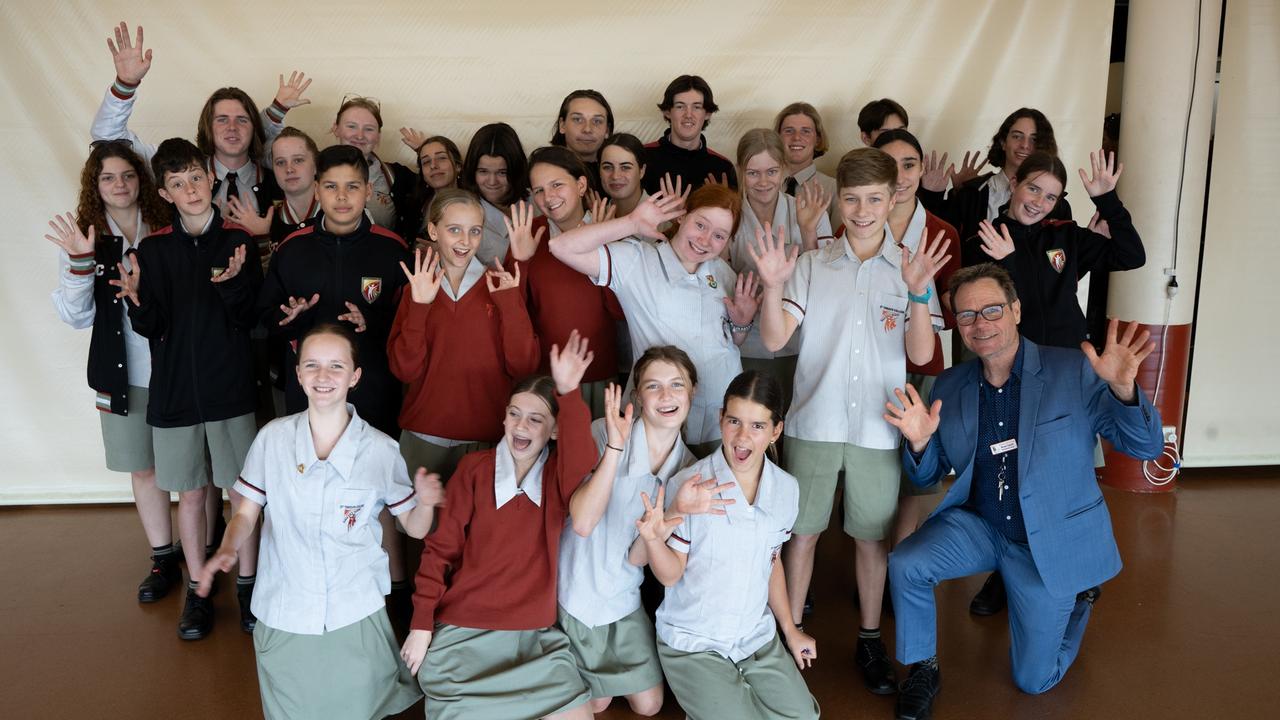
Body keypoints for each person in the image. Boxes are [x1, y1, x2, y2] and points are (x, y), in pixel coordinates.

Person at [884, 263, 1163, 720]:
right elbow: (925, 478)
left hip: (1045, 542)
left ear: (1015, 310)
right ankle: (922, 668)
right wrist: (917, 442)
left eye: (992, 309)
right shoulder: (951, 385)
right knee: (907, 563)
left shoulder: (1073, 370)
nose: (981, 324)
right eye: (967, 315)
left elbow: (1145, 446)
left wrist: (1124, 389)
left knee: (1034, 681)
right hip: (981, 525)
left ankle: (1077, 601)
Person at [752, 147, 948, 695]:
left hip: (878, 430)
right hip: (813, 425)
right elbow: (772, 339)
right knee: (804, 535)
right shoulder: (813, 263)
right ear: (839, 199)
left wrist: (915, 292)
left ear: (894, 199)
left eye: (875, 199)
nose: (862, 211)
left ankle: (868, 638)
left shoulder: (911, 265)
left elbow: (920, 351)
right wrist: (772, 284)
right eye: (853, 198)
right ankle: (788, 637)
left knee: (870, 540)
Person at [198, 323, 441, 720]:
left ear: (355, 376)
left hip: (353, 610)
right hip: (285, 608)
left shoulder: (380, 450)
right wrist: (228, 547)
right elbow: (246, 511)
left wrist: (427, 503)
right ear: (297, 374)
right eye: (311, 365)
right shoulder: (272, 439)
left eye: (336, 366)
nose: (323, 377)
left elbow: (413, 526)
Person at [401, 331, 598, 720]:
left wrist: (569, 391)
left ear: (555, 430)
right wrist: (421, 626)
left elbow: (582, 458)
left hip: (534, 640)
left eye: (536, 418)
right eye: (514, 413)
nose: (521, 426)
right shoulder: (474, 469)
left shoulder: (559, 477)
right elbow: (440, 551)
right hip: (464, 630)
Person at [112, 137, 264, 640]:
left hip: (229, 392)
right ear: (166, 193)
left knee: (242, 495)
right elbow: (152, 328)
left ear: (209, 178)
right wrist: (135, 301)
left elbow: (250, 319)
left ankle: (247, 585)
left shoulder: (237, 241)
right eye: (177, 184)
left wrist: (233, 286)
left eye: (196, 178)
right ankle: (198, 589)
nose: (190, 189)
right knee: (193, 496)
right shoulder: (152, 251)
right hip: (175, 396)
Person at [635, 370, 820, 720]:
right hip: (694, 641)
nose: (742, 437)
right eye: (734, 421)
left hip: (753, 637)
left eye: (757, 426)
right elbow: (670, 575)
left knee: (804, 716)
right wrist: (651, 539)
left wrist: (790, 630)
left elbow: (772, 562)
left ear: (776, 430)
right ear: (720, 418)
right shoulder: (688, 484)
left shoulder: (786, 490)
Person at [47, 140, 174, 603]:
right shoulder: (86, 236)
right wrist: (81, 264)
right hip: (122, 373)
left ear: (142, 179)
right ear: (93, 186)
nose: (119, 185)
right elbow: (76, 317)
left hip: (176, 367)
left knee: (190, 471)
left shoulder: (166, 224)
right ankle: (163, 558)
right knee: (142, 469)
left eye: (127, 174)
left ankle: (204, 554)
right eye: (107, 177)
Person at [547, 183, 759, 456]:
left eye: (719, 235)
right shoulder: (638, 260)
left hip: (719, 419)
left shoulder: (722, 273)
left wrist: (742, 322)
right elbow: (561, 246)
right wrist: (632, 222)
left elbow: (731, 341)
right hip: (660, 418)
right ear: (682, 216)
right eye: (700, 225)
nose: (705, 240)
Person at [557, 347, 711, 716]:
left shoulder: (689, 471)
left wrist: (668, 514)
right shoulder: (601, 433)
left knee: (650, 705)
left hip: (623, 599)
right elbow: (581, 523)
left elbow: (635, 557)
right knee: (597, 701)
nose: (666, 395)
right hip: (574, 592)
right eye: (653, 386)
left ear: (692, 393)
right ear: (637, 396)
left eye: (677, 385)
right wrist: (614, 447)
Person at [92, 22, 311, 260]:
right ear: (208, 126)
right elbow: (107, 139)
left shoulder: (279, 175)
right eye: (222, 120)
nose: (232, 128)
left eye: (242, 120)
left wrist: (275, 112)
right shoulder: (179, 166)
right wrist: (125, 85)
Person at [387, 188, 541, 481]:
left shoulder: (500, 286)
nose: (465, 241)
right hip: (424, 434)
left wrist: (511, 304)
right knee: (417, 526)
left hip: (487, 437)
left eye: (475, 231)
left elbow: (523, 366)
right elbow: (404, 370)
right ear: (433, 230)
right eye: (454, 229)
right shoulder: (416, 289)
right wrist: (419, 307)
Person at [871, 129, 962, 545]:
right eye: (889, 166)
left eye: (909, 165)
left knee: (918, 469)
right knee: (874, 464)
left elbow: (953, 303)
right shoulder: (856, 225)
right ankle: (871, 560)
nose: (901, 176)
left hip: (922, 364)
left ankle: (900, 562)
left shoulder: (943, 231)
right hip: (869, 361)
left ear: (922, 169)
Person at [974, 149, 1144, 349]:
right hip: (1015, 361)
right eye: (1033, 189)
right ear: (1014, 184)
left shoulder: (1066, 234)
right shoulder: (986, 240)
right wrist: (1009, 261)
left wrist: (1107, 200)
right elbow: (996, 311)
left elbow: (1132, 256)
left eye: (1051, 197)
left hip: (1070, 356)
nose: (1039, 203)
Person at [512, 146, 623, 416]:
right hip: (544, 378)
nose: (548, 197)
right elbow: (513, 313)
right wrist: (521, 261)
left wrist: (603, 244)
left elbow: (621, 312)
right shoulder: (530, 233)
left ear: (581, 184)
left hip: (598, 374)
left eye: (557, 185)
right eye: (538, 190)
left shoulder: (609, 230)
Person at [727, 128, 832, 410]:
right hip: (744, 344)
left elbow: (825, 283)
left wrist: (809, 231)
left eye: (771, 171)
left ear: (785, 170)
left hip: (798, 342)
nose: (763, 182)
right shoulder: (728, 216)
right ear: (740, 171)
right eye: (753, 173)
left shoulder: (808, 211)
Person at [918, 107, 1073, 268]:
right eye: (1017, 136)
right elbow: (942, 246)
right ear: (1003, 142)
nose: (1025, 145)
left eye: (1034, 139)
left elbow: (1064, 267)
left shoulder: (1058, 207)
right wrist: (938, 195)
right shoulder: (971, 193)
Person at [330, 96, 419, 237]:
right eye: (351, 126)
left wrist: (425, 151)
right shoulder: (314, 170)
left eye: (369, 129)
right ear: (336, 129)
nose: (359, 136)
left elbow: (438, 188)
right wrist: (280, 110)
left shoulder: (397, 175)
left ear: (378, 136)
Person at [641, 75, 737, 194]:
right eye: (680, 106)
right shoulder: (642, 157)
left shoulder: (723, 167)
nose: (688, 114)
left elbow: (733, 211)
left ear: (707, 113)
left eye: (697, 107)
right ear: (667, 112)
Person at [460, 122, 530, 267]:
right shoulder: (462, 215)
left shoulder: (538, 201)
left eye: (502, 172)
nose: (492, 182)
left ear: (516, 171)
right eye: (483, 171)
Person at [774, 102, 840, 227]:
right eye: (789, 131)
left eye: (806, 131)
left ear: (818, 139)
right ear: (777, 138)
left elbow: (838, 243)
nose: (797, 137)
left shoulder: (834, 189)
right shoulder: (760, 185)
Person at [265, 127, 321, 248]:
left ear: (316, 165)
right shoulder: (266, 217)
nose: (289, 169)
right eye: (280, 162)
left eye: (298, 160)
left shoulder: (341, 210)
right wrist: (262, 237)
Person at [550, 89, 614, 193]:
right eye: (577, 119)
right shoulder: (543, 169)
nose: (587, 129)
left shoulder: (619, 173)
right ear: (562, 125)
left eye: (597, 121)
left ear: (607, 129)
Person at [598, 133, 649, 219]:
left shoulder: (667, 218)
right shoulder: (593, 220)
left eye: (625, 167)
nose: (615, 176)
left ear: (642, 171)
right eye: (607, 167)